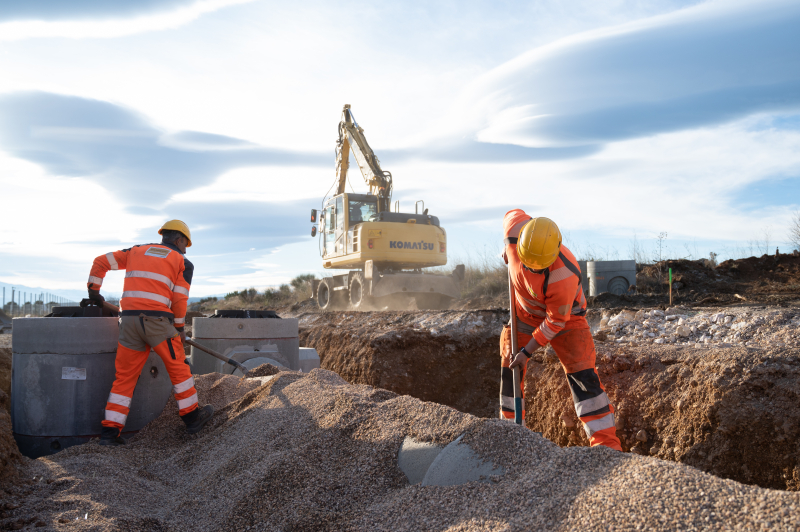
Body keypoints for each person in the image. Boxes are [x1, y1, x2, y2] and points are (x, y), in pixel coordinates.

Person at [500, 210, 621, 451]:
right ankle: (510, 436)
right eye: (528, 264)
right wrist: (505, 249)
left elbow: (555, 322)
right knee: (508, 368)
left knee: (583, 375)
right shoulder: (514, 232)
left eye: (539, 267)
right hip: (524, 315)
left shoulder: (564, 273)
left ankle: (606, 447)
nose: (532, 271)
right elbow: (512, 214)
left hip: (567, 320)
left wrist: (527, 352)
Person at [86, 220, 214, 446]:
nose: (186, 249)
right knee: (179, 369)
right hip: (157, 324)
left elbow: (100, 262)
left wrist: (94, 292)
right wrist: (180, 328)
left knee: (124, 377)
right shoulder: (183, 262)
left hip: (128, 323)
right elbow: (179, 299)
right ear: (180, 240)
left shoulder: (135, 251)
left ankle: (110, 433)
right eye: (187, 244)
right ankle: (193, 418)